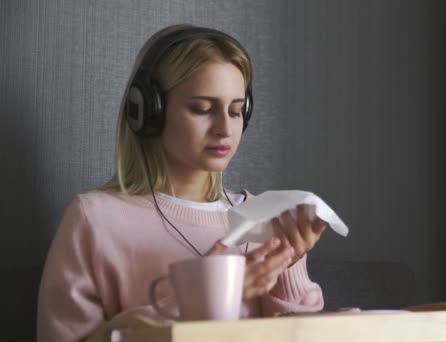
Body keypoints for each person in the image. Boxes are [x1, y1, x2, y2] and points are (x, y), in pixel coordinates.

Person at [37, 24, 327, 342]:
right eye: (202, 108)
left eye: (235, 111)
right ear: (148, 112)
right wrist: (204, 296)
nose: (224, 129)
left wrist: (288, 263)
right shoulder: (94, 219)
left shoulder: (263, 216)